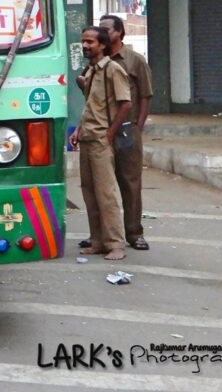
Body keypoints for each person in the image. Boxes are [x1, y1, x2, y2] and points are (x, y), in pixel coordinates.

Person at [70, 26, 131, 261]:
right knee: (90, 194)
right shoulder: (92, 71)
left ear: (102, 45)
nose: (85, 46)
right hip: (87, 138)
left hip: (100, 141)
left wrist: (110, 133)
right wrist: (78, 130)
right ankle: (98, 241)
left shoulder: (112, 70)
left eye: (90, 42)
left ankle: (116, 244)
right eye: (83, 42)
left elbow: (125, 103)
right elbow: (90, 107)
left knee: (107, 194)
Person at [99, 13, 153, 251]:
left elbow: (144, 95)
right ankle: (104, 235)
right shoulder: (97, 59)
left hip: (127, 130)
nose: (103, 33)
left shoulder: (135, 61)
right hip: (101, 129)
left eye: (107, 29)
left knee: (130, 183)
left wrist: (138, 127)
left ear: (120, 32)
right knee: (101, 184)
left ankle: (134, 232)